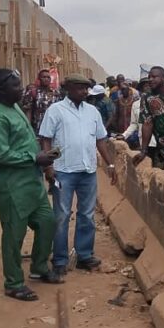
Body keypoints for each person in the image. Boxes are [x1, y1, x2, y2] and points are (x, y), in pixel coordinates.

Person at [0, 68, 62, 301]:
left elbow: (26, 139)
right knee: (14, 235)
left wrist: (43, 163)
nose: (21, 89)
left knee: (47, 222)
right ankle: (14, 283)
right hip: (11, 187)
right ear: (2, 90)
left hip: (31, 182)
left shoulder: (14, 107)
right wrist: (34, 158)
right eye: (16, 86)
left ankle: (39, 268)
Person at [38, 74, 118, 277]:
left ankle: (84, 255)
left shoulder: (92, 112)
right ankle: (60, 259)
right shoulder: (55, 111)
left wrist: (109, 163)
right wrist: (48, 167)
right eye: (80, 88)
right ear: (69, 89)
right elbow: (46, 139)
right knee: (62, 215)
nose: (85, 92)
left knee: (87, 215)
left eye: (86, 88)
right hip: (63, 171)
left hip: (87, 171)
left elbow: (100, 140)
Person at [133, 66, 164, 168]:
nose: (150, 79)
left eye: (154, 77)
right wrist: (143, 151)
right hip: (163, 150)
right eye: (149, 77)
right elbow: (147, 123)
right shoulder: (147, 98)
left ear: (163, 78)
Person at [116, 76, 154, 151]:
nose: (147, 88)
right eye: (145, 86)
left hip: (158, 142)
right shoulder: (136, 104)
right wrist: (124, 135)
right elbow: (134, 124)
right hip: (144, 142)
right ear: (142, 89)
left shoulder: (160, 101)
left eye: (149, 85)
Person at [21, 69, 61, 136]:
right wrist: (28, 127)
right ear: (39, 79)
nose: (46, 79)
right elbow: (28, 111)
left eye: (48, 77)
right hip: (38, 127)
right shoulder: (32, 92)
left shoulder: (56, 93)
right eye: (44, 77)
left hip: (53, 126)